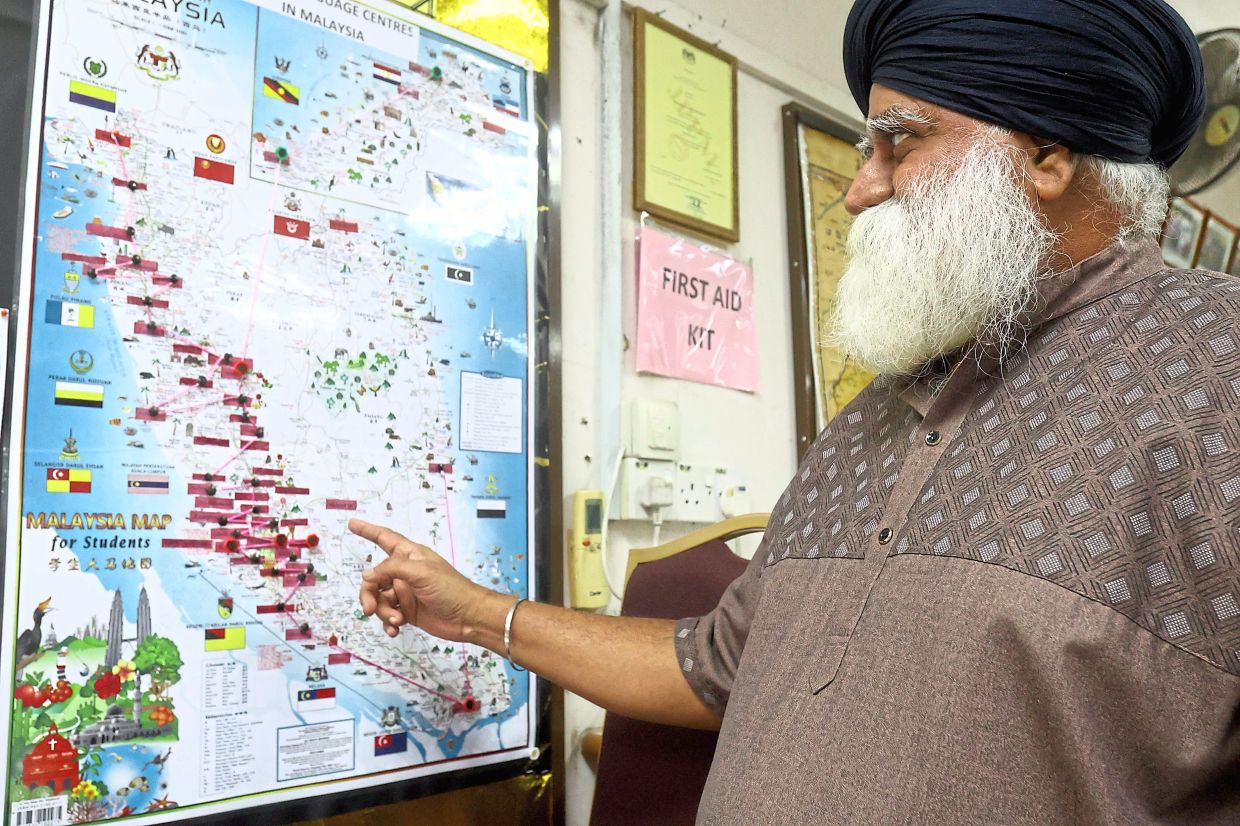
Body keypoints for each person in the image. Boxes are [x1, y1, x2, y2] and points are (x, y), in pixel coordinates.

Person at [352, 0, 1240, 821]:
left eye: (900, 142)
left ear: (1048, 155)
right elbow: (713, 665)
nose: (861, 188)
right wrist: (470, 611)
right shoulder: (876, 414)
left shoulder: (1219, 367)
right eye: (865, 150)